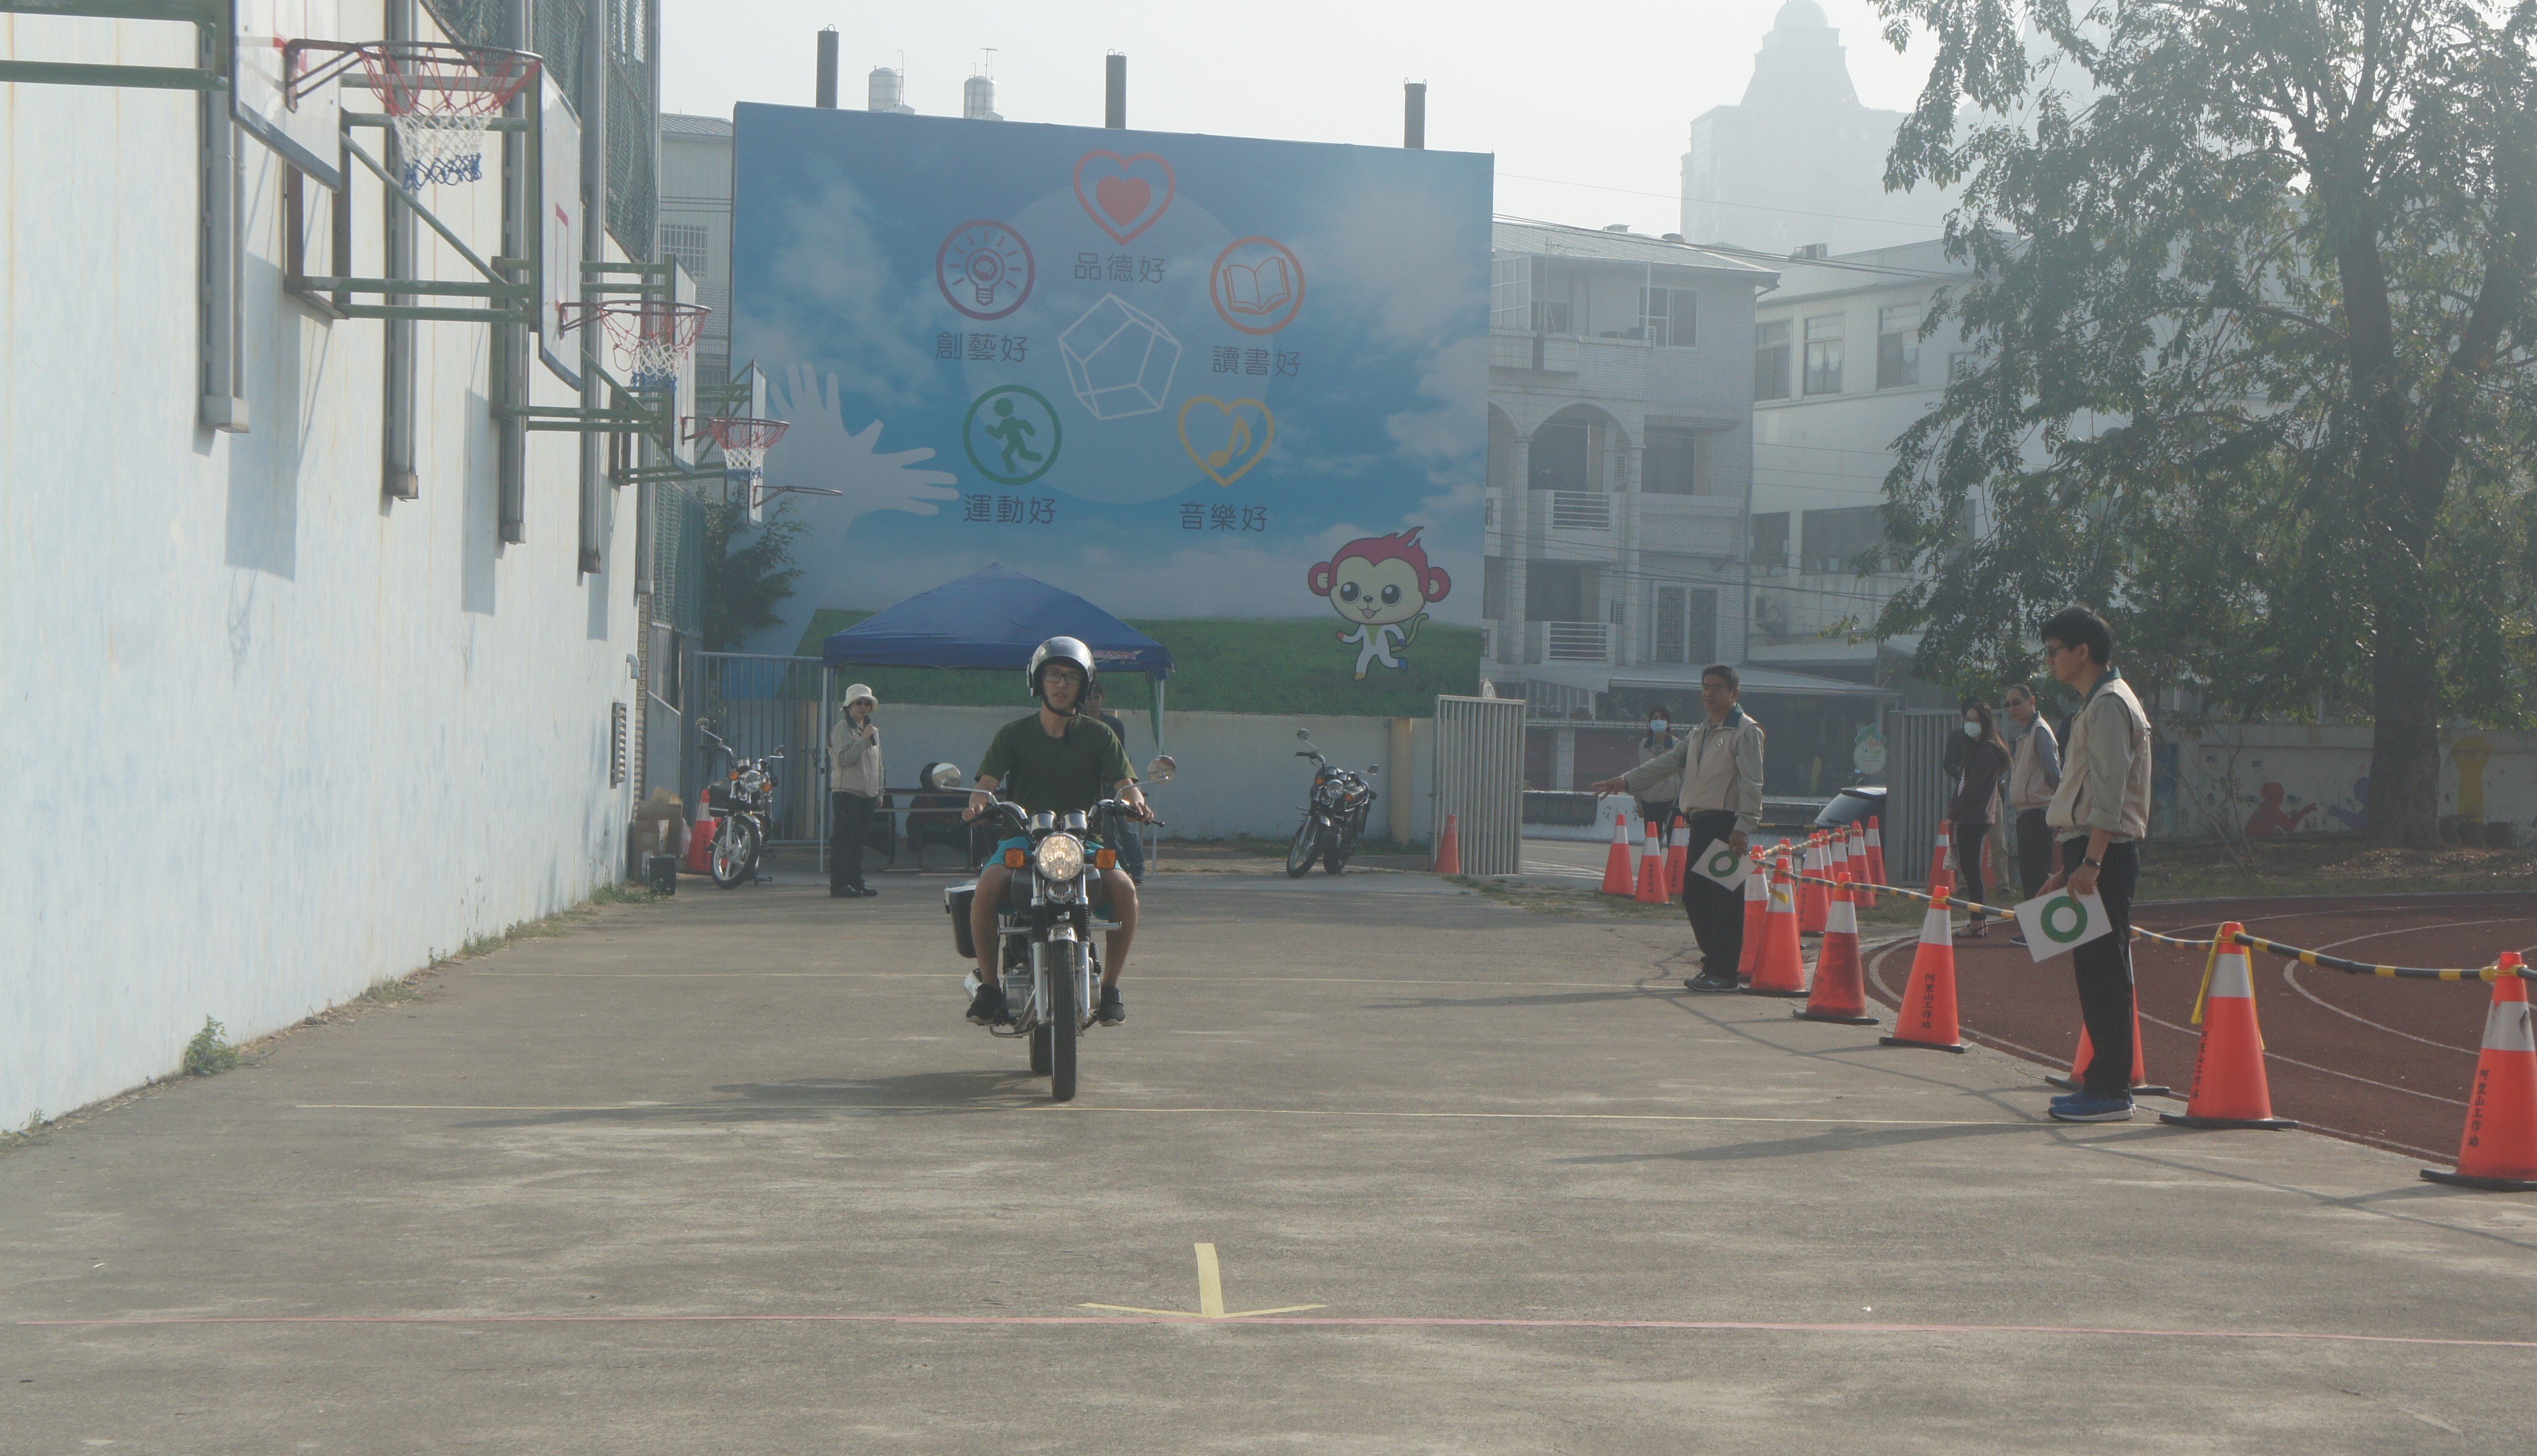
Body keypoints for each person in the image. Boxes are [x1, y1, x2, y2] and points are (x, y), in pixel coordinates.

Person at [960, 638, 1153, 1027]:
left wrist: (1137, 803)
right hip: (1022, 838)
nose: (1062, 684)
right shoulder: (1014, 734)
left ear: (1084, 685)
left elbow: (1125, 783)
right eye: (1053, 675)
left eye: (1071, 677)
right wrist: (977, 806)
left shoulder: (1100, 735)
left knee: (1125, 889)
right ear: (1038, 681)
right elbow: (985, 785)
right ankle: (990, 987)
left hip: (1083, 840)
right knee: (988, 885)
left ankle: (1111, 988)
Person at [2035, 606, 2154, 1123]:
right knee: (2094, 972)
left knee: (2105, 974)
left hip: (2105, 852)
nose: (2050, 660)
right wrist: (2071, 867)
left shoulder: (2109, 705)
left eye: (2054, 651)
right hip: (2091, 850)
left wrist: (2092, 863)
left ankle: (2110, 1091)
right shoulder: (2098, 702)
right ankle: (2102, 1084)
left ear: (2082, 652)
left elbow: (2109, 795)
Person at [1591, 665, 1763, 992]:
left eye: (1717, 688)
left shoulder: (1745, 731)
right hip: (1701, 822)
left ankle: (1725, 973)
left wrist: (1743, 826)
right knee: (1695, 898)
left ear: (1734, 694)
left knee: (1725, 901)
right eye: (1705, 687)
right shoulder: (1701, 732)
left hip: (1727, 824)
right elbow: (1667, 763)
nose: (1709, 693)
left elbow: (1752, 782)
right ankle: (1713, 965)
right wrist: (1626, 781)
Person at [2003, 682, 2064, 944]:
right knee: (2030, 875)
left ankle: (2040, 934)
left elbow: (2054, 773)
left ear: (2032, 701)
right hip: (2027, 814)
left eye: (2017, 702)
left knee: (2036, 875)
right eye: (2008, 704)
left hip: (2038, 813)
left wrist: (2060, 807)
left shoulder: (2039, 731)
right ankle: (2037, 931)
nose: (2012, 708)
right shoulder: (2026, 734)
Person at [1949, 700, 2010, 938]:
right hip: (1970, 816)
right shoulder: (1974, 749)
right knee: (1970, 868)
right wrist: (1953, 811)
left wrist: (1953, 814)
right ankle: (1978, 921)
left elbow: (1971, 789)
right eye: (1967, 720)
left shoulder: (1986, 751)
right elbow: (1962, 785)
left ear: (1985, 723)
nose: (1970, 724)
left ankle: (1977, 922)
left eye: (1975, 720)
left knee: (1972, 871)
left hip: (1975, 818)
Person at [1084, 678, 1147, 883]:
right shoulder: (1079, 724)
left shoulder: (1114, 725)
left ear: (1102, 699)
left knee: (1126, 828)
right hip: (1094, 785)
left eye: (1096, 698)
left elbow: (1119, 757)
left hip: (1115, 784)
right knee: (1106, 833)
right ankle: (1119, 867)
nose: (1092, 702)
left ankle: (1137, 869)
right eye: (1088, 698)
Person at [827, 684, 883, 898]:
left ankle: (856, 882)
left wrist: (879, 792)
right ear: (848, 706)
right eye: (858, 703)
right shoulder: (841, 729)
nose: (863, 707)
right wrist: (863, 740)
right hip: (847, 792)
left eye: (867, 703)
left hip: (868, 794)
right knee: (844, 841)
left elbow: (879, 764)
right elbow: (845, 759)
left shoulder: (872, 731)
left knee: (858, 843)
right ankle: (839, 885)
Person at [1633, 706, 1682, 839]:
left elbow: (1685, 776)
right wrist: (1639, 802)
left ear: (1668, 723)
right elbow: (1637, 775)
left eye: (1662, 719)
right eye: (1655, 719)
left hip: (1672, 803)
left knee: (1675, 843)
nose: (1658, 721)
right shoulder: (1643, 746)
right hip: (1649, 803)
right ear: (1650, 723)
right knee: (1652, 843)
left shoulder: (1677, 745)